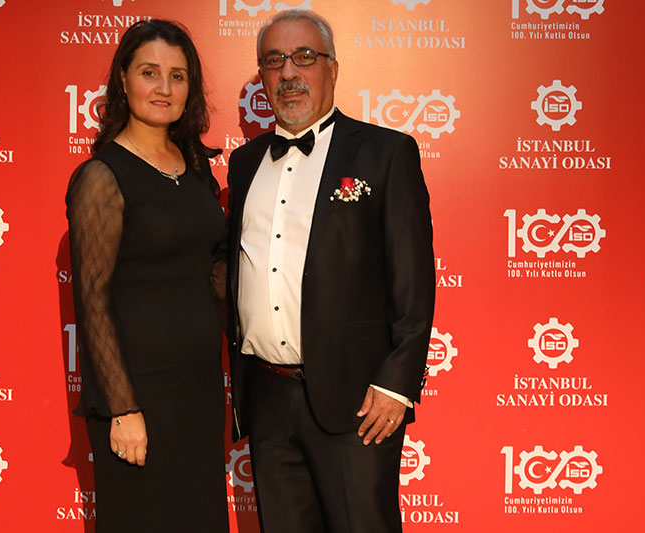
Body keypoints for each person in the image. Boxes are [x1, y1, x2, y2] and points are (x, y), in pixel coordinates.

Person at [225, 9, 435, 533]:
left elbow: (413, 282)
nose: (288, 73)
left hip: (357, 401)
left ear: (332, 69)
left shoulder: (385, 153)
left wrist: (396, 385)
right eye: (274, 61)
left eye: (304, 57)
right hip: (267, 399)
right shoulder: (244, 163)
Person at [65, 19, 228, 532]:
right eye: (149, 72)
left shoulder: (196, 167)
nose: (164, 88)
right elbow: (91, 300)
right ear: (123, 79)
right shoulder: (101, 177)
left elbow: (213, 272)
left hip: (199, 390)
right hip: (139, 394)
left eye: (178, 76)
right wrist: (122, 409)